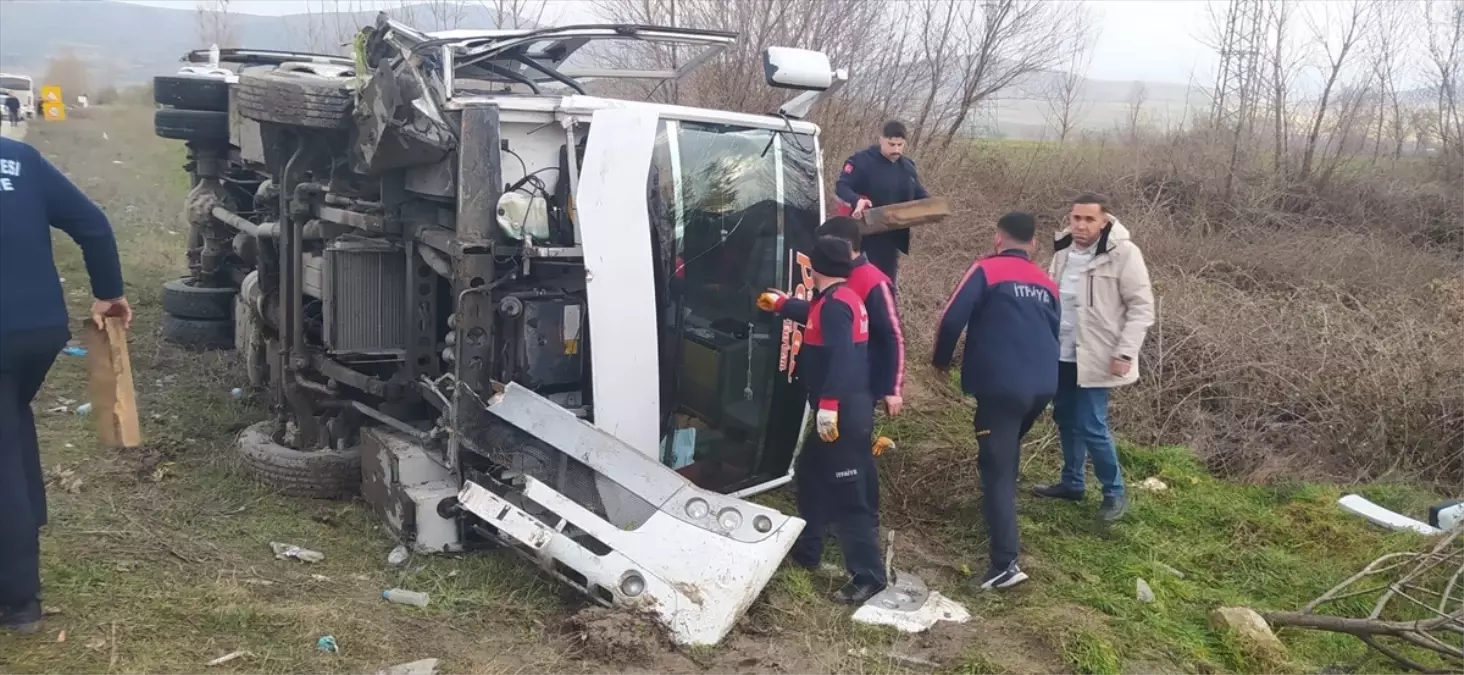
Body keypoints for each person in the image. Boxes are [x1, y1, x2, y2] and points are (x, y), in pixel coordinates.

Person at [0, 137, 131, 635]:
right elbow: (92, 223)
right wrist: (108, 293)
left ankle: (17, 600)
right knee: (10, 420)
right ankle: (25, 534)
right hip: (38, 329)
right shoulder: (19, 158)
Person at [932, 213, 1059, 590]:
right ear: (1034, 245)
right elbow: (1057, 330)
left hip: (1001, 387)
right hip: (1042, 386)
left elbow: (952, 318)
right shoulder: (1047, 282)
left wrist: (939, 362)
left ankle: (1006, 563)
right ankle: (996, 513)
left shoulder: (985, 270)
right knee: (1004, 453)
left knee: (998, 470)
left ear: (997, 239)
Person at [1031, 194, 1154, 523]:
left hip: (1099, 356)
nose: (1081, 225)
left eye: (1088, 219)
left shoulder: (1124, 254)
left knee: (1092, 425)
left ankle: (1114, 493)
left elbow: (1142, 308)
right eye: (1076, 218)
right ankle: (1072, 483)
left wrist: (1125, 351)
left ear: (1104, 221)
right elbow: (1050, 297)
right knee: (1065, 418)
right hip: (1061, 353)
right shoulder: (1063, 251)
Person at [784, 235, 886, 605]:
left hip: (842, 413)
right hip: (847, 407)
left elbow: (843, 356)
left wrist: (827, 404)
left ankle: (868, 576)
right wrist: (782, 304)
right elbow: (812, 316)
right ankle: (809, 549)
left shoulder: (834, 307)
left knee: (849, 496)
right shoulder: (839, 298)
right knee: (809, 470)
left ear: (813, 267)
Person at [758, 216, 905, 416]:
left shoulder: (874, 282)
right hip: (826, 383)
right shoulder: (832, 276)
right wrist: (784, 305)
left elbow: (893, 336)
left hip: (856, 388)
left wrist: (893, 389)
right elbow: (821, 316)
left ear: (844, 246)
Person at [834, 120, 929, 286]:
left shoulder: (907, 167)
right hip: (863, 238)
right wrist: (857, 200)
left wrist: (930, 204)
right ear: (881, 140)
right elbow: (842, 186)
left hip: (892, 240)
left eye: (900, 145)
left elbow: (918, 191)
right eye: (891, 144)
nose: (896, 150)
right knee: (862, 285)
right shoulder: (861, 161)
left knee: (886, 287)